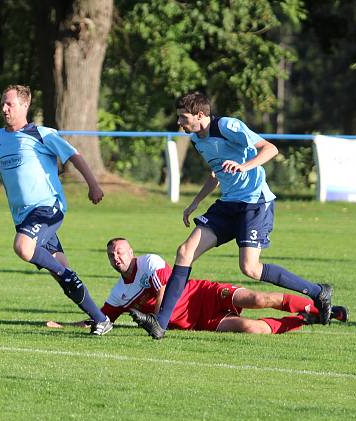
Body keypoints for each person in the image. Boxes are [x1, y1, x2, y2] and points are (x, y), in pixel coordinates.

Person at [136, 92, 333, 340]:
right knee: (185, 251)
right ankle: (160, 324)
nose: (179, 123)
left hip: (254, 203)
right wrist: (195, 202)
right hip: (228, 204)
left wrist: (244, 166)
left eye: (183, 117)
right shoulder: (198, 139)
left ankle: (318, 292)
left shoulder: (228, 126)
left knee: (250, 268)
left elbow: (270, 149)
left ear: (200, 115)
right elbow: (216, 174)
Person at [0, 84, 113, 335]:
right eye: (2, 103)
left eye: (10, 104)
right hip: (23, 216)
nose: (4, 108)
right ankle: (100, 319)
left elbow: (74, 155)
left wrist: (93, 185)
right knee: (62, 272)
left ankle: (73, 285)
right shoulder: (0, 138)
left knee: (23, 247)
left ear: (25, 106)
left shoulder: (41, 134)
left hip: (47, 207)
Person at [64, 237, 346, 335]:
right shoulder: (119, 292)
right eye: (112, 255)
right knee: (252, 329)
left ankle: (321, 309)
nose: (117, 257)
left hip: (203, 294)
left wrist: (156, 319)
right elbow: (100, 320)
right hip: (198, 322)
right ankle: (307, 319)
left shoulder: (149, 262)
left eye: (121, 252)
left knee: (258, 299)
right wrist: (65, 326)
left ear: (131, 252)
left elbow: (164, 289)